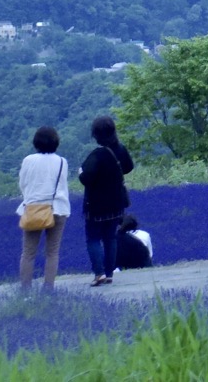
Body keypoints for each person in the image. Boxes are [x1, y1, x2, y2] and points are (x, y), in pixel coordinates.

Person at [78, 115, 134, 287]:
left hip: (96, 205)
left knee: (93, 238)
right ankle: (109, 273)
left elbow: (86, 178)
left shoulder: (97, 155)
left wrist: (80, 172)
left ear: (96, 135)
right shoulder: (121, 149)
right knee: (111, 238)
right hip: (116, 202)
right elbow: (129, 167)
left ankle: (99, 273)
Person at [17, 125, 70, 291]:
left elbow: (23, 184)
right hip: (57, 208)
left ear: (36, 142)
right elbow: (62, 184)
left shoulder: (28, 160)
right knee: (52, 252)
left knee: (28, 253)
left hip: (33, 208)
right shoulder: (62, 161)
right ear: (56, 142)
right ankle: (48, 290)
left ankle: (25, 291)